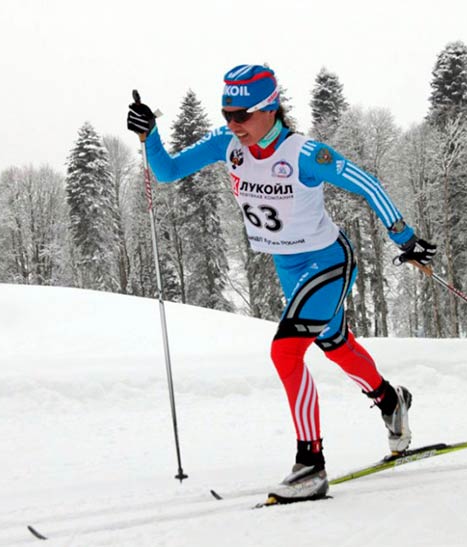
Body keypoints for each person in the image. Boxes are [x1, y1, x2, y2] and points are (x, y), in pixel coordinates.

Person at [127, 64, 436, 502]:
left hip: (328, 263)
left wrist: (406, 238)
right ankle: (391, 401)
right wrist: (150, 134)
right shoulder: (228, 145)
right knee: (335, 344)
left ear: (270, 108)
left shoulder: (304, 154)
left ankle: (311, 464)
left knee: (285, 349)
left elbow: (367, 183)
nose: (233, 124)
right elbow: (168, 171)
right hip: (288, 267)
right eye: (226, 113)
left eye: (242, 115)